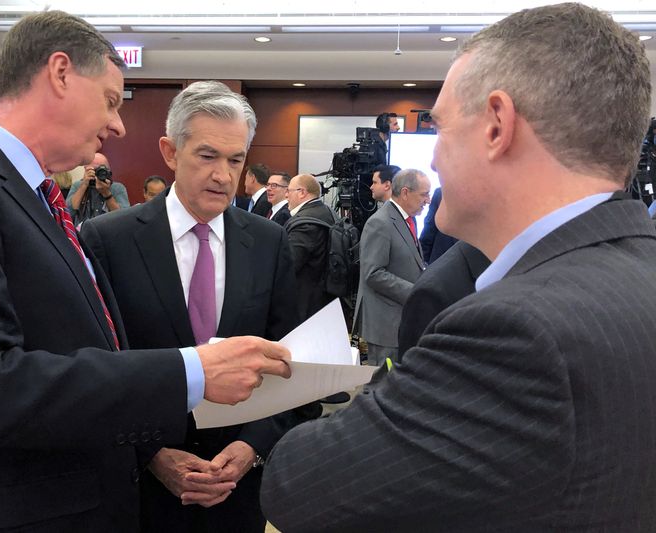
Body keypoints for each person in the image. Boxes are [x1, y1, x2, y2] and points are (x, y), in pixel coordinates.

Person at [0, 12, 292, 533]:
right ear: (60, 73)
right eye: (111, 99)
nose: (118, 124)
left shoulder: (41, 204)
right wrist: (192, 372)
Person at [261, 4, 656, 531]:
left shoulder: (513, 330)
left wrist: (395, 385)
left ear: (497, 125)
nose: (437, 162)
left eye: (441, 129)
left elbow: (298, 486)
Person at [81, 80, 303, 533]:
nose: (223, 174)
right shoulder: (109, 241)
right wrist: (152, 455)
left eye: (236, 159)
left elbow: (289, 360)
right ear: (169, 151)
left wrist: (251, 448)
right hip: (140, 489)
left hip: (236, 488)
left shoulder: (269, 242)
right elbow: (94, 368)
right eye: (207, 156)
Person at [353, 168, 430, 365]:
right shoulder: (380, 223)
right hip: (386, 327)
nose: (428, 200)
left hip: (401, 323)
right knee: (384, 387)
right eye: (424, 194)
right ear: (405, 192)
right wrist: (414, 292)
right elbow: (373, 273)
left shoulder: (407, 220)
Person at [285, 173, 336, 321]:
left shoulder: (305, 223)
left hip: (306, 304)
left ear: (302, 192)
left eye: (289, 190)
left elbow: (289, 265)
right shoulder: (328, 212)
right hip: (326, 299)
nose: (286, 195)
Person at [66, 151, 129, 226]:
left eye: (100, 170)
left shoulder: (117, 188)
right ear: (86, 170)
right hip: (83, 234)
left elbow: (124, 218)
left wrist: (106, 193)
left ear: (108, 171)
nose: (97, 173)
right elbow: (67, 214)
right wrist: (84, 185)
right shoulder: (78, 186)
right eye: (93, 170)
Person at [419, 187, 458, 263]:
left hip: (441, 262)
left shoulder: (442, 193)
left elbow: (429, 229)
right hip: (441, 261)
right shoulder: (441, 193)